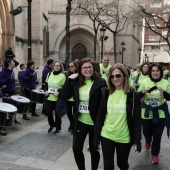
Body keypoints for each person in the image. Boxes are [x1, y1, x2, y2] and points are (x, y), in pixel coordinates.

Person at [94, 63, 141, 170]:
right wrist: (96, 138)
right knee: (108, 166)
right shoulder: (106, 92)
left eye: (118, 75)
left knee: (122, 164)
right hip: (107, 135)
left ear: (124, 76)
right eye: (112, 76)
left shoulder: (131, 93)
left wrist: (137, 140)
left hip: (124, 137)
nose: (115, 79)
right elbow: (100, 116)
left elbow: (137, 118)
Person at [62, 58, 107, 170]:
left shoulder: (100, 82)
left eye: (90, 67)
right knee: (76, 148)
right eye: (85, 67)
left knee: (94, 149)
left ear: (93, 68)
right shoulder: (77, 82)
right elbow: (65, 96)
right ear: (80, 70)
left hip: (95, 122)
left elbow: (105, 102)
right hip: (81, 121)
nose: (88, 69)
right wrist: (69, 80)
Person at [138, 63, 170, 164]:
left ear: (160, 72)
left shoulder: (165, 83)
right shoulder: (144, 81)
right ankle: (147, 141)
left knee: (157, 136)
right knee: (147, 132)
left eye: (157, 71)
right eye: (153, 71)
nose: (155, 73)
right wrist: (143, 92)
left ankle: (155, 154)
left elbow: (169, 97)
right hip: (146, 112)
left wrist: (164, 92)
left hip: (160, 113)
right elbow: (137, 95)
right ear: (150, 72)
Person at [45, 60, 66, 134]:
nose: (57, 67)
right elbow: (46, 84)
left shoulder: (62, 76)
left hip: (58, 98)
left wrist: (59, 92)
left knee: (57, 113)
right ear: (53, 66)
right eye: (55, 65)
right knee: (48, 112)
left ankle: (58, 127)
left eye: (58, 66)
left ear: (60, 67)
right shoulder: (49, 74)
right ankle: (51, 125)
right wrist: (46, 91)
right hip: (49, 97)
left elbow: (64, 88)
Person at [65, 61, 78, 132]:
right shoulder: (67, 75)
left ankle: (74, 126)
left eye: (72, 66)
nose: (70, 68)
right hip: (68, 97)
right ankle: (72, 123)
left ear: (76, 67)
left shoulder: (79, 76)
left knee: (75, 113)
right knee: (69, 112)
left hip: (75, 97)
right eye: (69, 66)